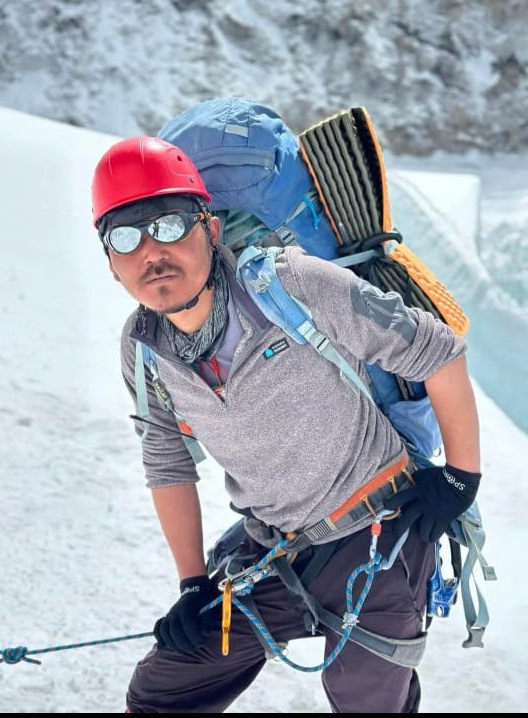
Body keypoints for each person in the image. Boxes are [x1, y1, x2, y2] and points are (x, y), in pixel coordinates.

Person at [91, 134, 481, 713]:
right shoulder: (143, 347)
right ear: (111, 264)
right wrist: (193, 584)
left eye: (169, 225)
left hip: (378, 535)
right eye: (125, 237)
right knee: (163, 690)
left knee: (367, 701)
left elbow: (437, 351)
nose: (152, 252)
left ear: (211, 230)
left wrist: (460, 479)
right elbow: (166, 460)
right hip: (274, 550)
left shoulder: (290, 285)